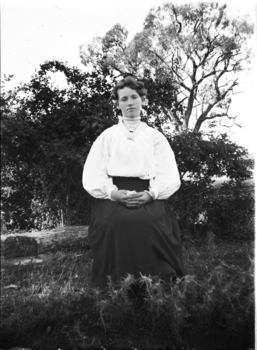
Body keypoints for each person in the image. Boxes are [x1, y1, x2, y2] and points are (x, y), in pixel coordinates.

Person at [82, 76, 184, 296]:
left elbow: (169, 174)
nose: (129, 102)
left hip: (148, 195)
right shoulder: (107, 137)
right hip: (114, 196)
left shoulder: (155, 137)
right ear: (118, 104)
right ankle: (117, 286)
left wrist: (151, 194)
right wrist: (113, 193)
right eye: (124, 98)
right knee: (116, 222)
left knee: (147, 221)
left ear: (143, 100)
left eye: (134, 97)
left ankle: (156, 284)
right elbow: (93, 173)